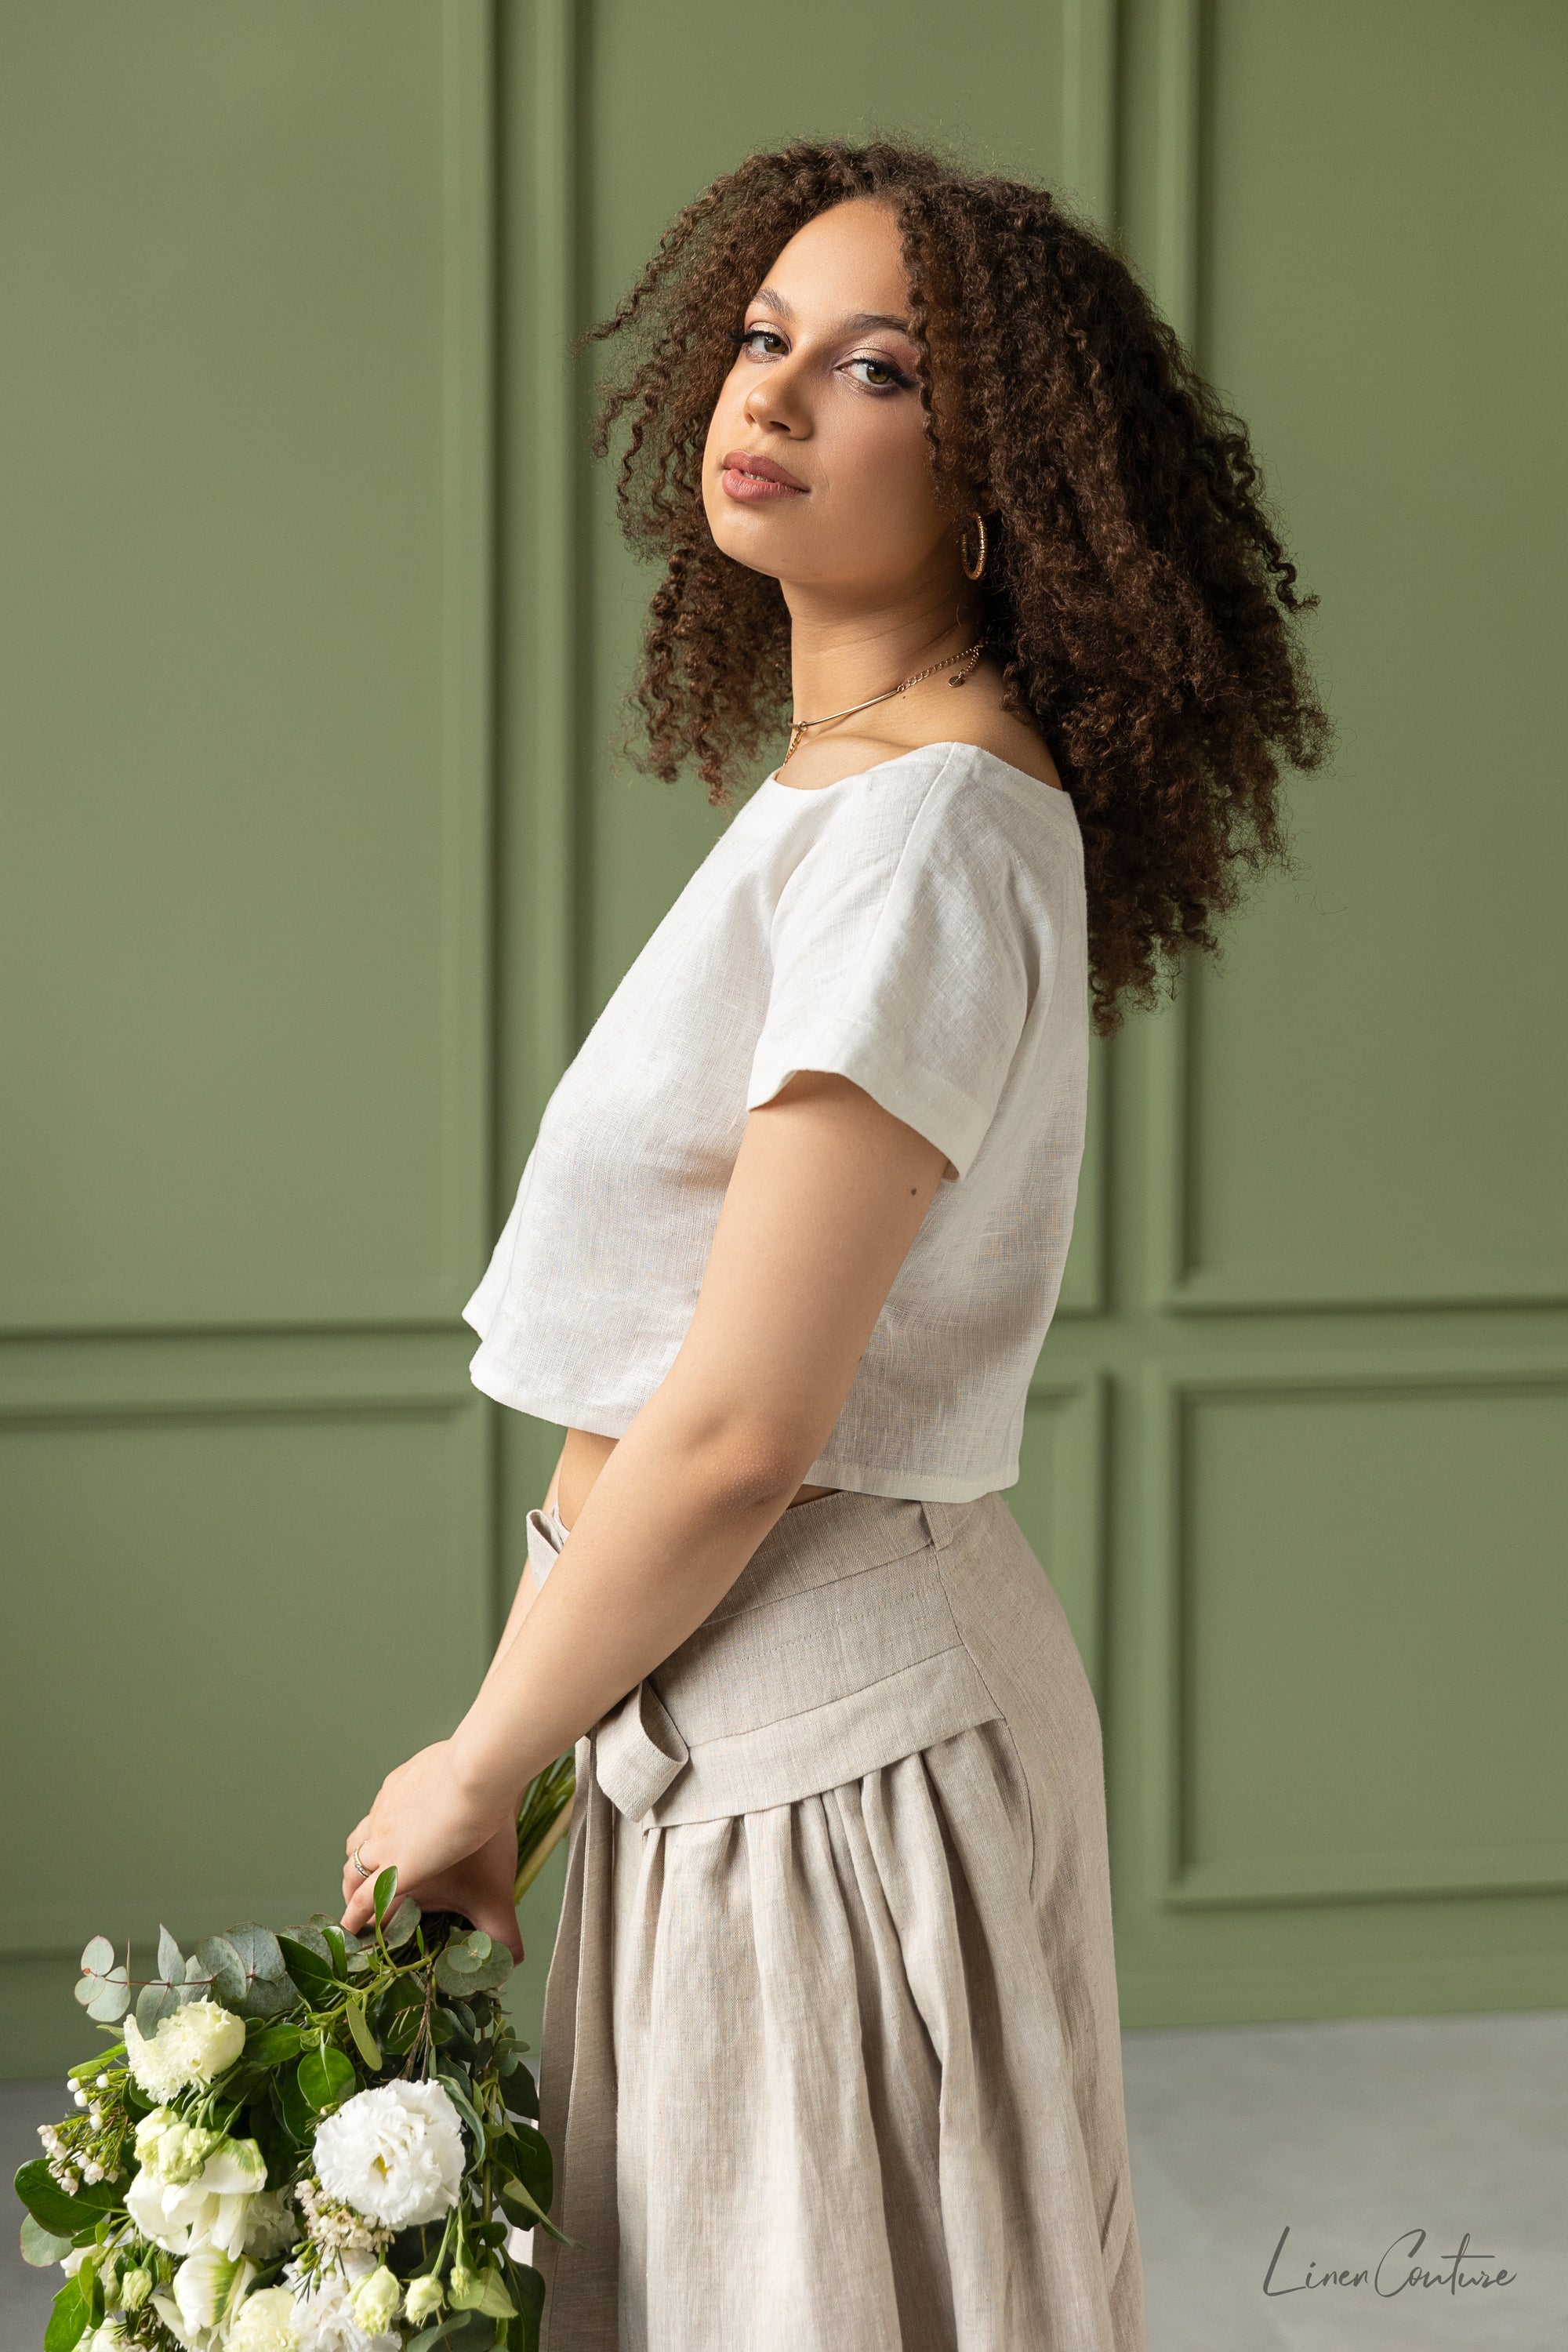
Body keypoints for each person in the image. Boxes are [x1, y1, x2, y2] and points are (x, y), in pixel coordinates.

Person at [340, 138, 1329, 2350]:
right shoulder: (853, 795)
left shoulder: (931, 830)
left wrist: (477, 1758)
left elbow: (745, 1418)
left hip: (822, 1753)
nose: (772, 395)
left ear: (1005, 483)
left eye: (872, 365)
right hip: (720, 1716)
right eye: (762, 338)